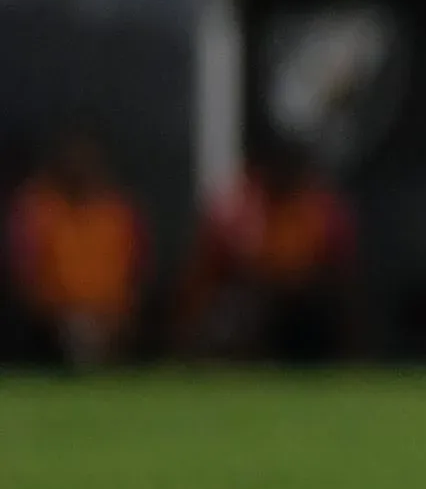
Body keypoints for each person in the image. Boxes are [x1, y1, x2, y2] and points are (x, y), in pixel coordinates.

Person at [174, 143, 358, 361]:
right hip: (256, 307)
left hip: (308, 312)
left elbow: (344, 281)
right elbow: (207, 278)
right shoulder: (239, 210)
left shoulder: (322, 211)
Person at [6, 131, 150, 365]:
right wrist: (58, 317)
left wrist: (115, 319)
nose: (79, 164)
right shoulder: (35, 209)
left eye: (86, 157)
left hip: (113, 322)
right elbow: (22, 280)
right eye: (72, 156)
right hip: (49, 326)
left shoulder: (119, 212)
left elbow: (139, 276)